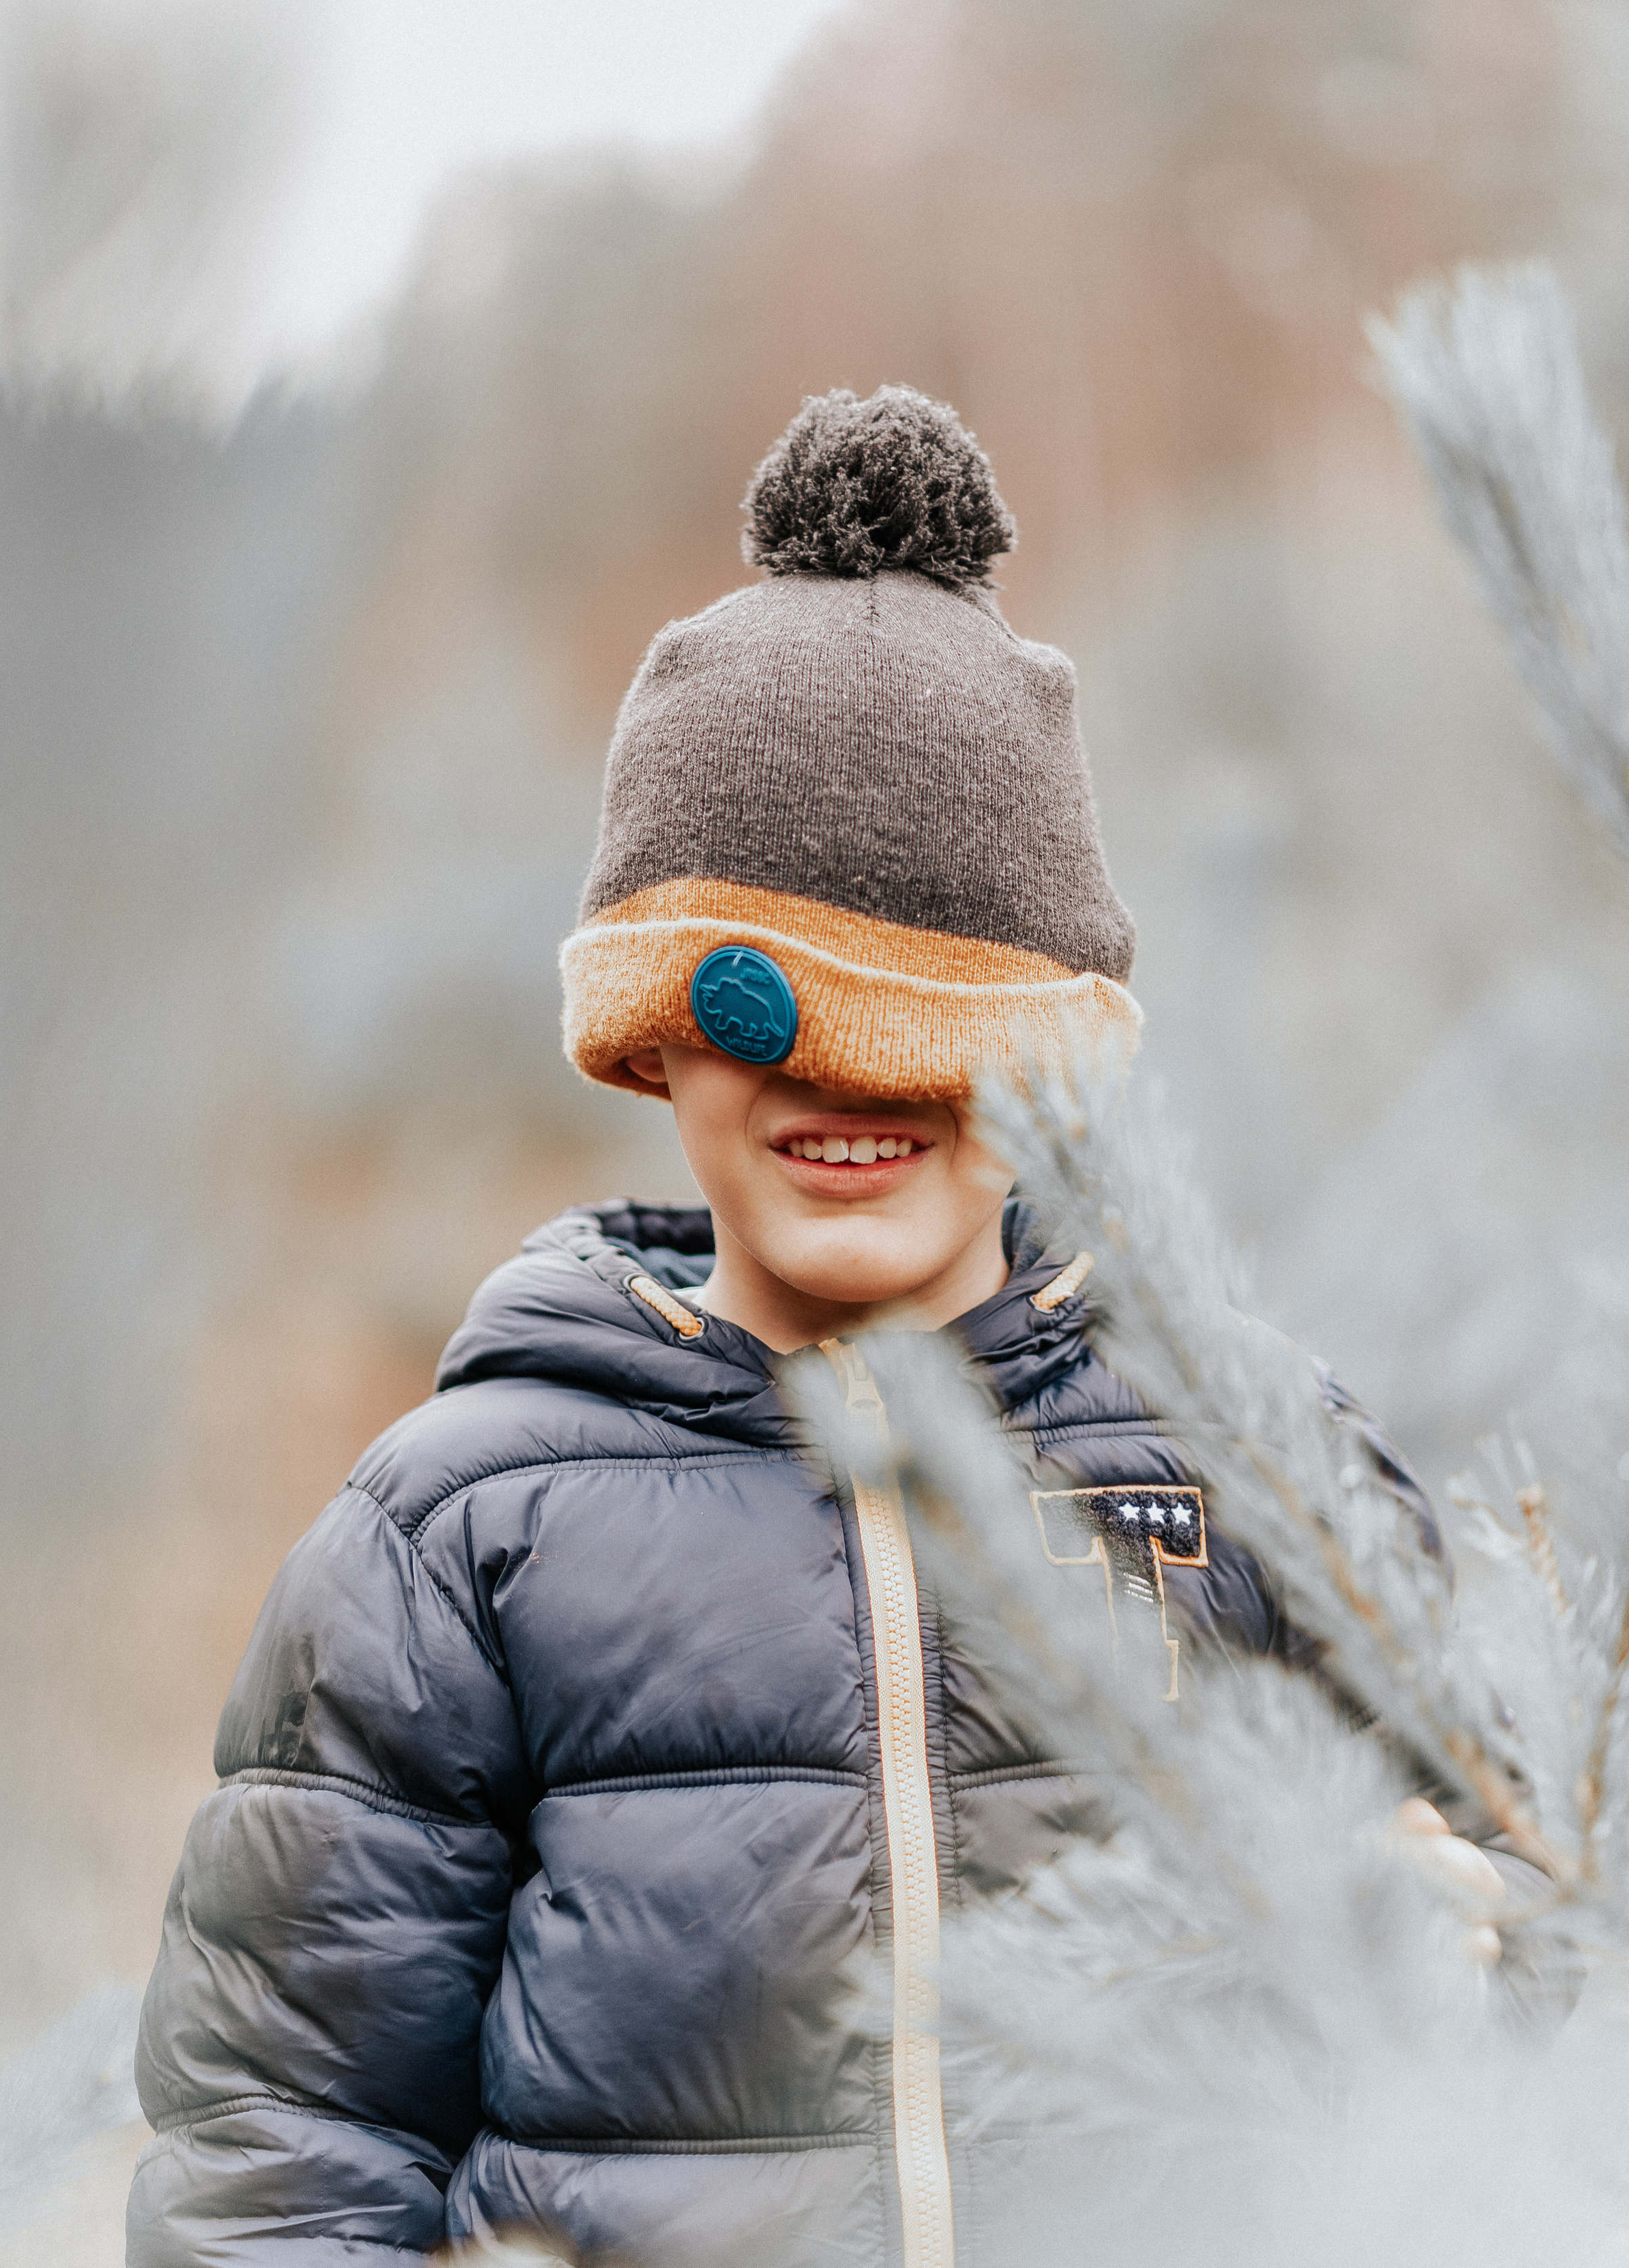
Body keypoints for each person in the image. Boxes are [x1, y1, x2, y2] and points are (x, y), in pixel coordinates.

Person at [127, 387, 1495, 2268]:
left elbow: (1546, 1903)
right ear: (654, 1028)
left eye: (937, 1021)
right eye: (777, 1006)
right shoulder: (455, 1538)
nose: (858, 1086)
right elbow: (275, 2145)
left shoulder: (1254, 1468)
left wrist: (1472, 1949)